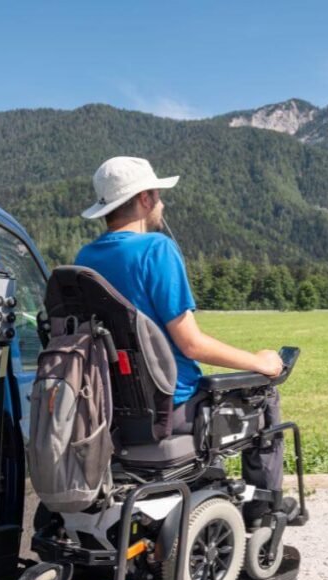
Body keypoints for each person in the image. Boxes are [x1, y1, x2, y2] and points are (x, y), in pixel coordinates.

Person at [75, 156, 290, 524]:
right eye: (158, 196)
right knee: (265, 392)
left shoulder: (86, 259)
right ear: (145, 198)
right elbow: (191, 345)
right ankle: (264, 510)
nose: (162, 203)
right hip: (170, 408)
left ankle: (202, 487)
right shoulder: (156, 250)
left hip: (110, 409)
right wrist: (260, 362)